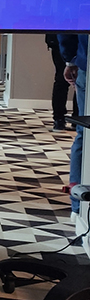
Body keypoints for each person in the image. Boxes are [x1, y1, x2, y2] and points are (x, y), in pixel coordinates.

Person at [59, 33, 87, 220]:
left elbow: (68, 28)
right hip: (85, 64)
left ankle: (78, 207)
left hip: (86, 62)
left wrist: (70, 59)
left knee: (84, 134)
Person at [47, 33, 77, 131]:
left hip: (57, 39)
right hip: (58, 40)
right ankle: (61, 119)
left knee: (63, 81)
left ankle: (61, 119)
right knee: (64, 80)